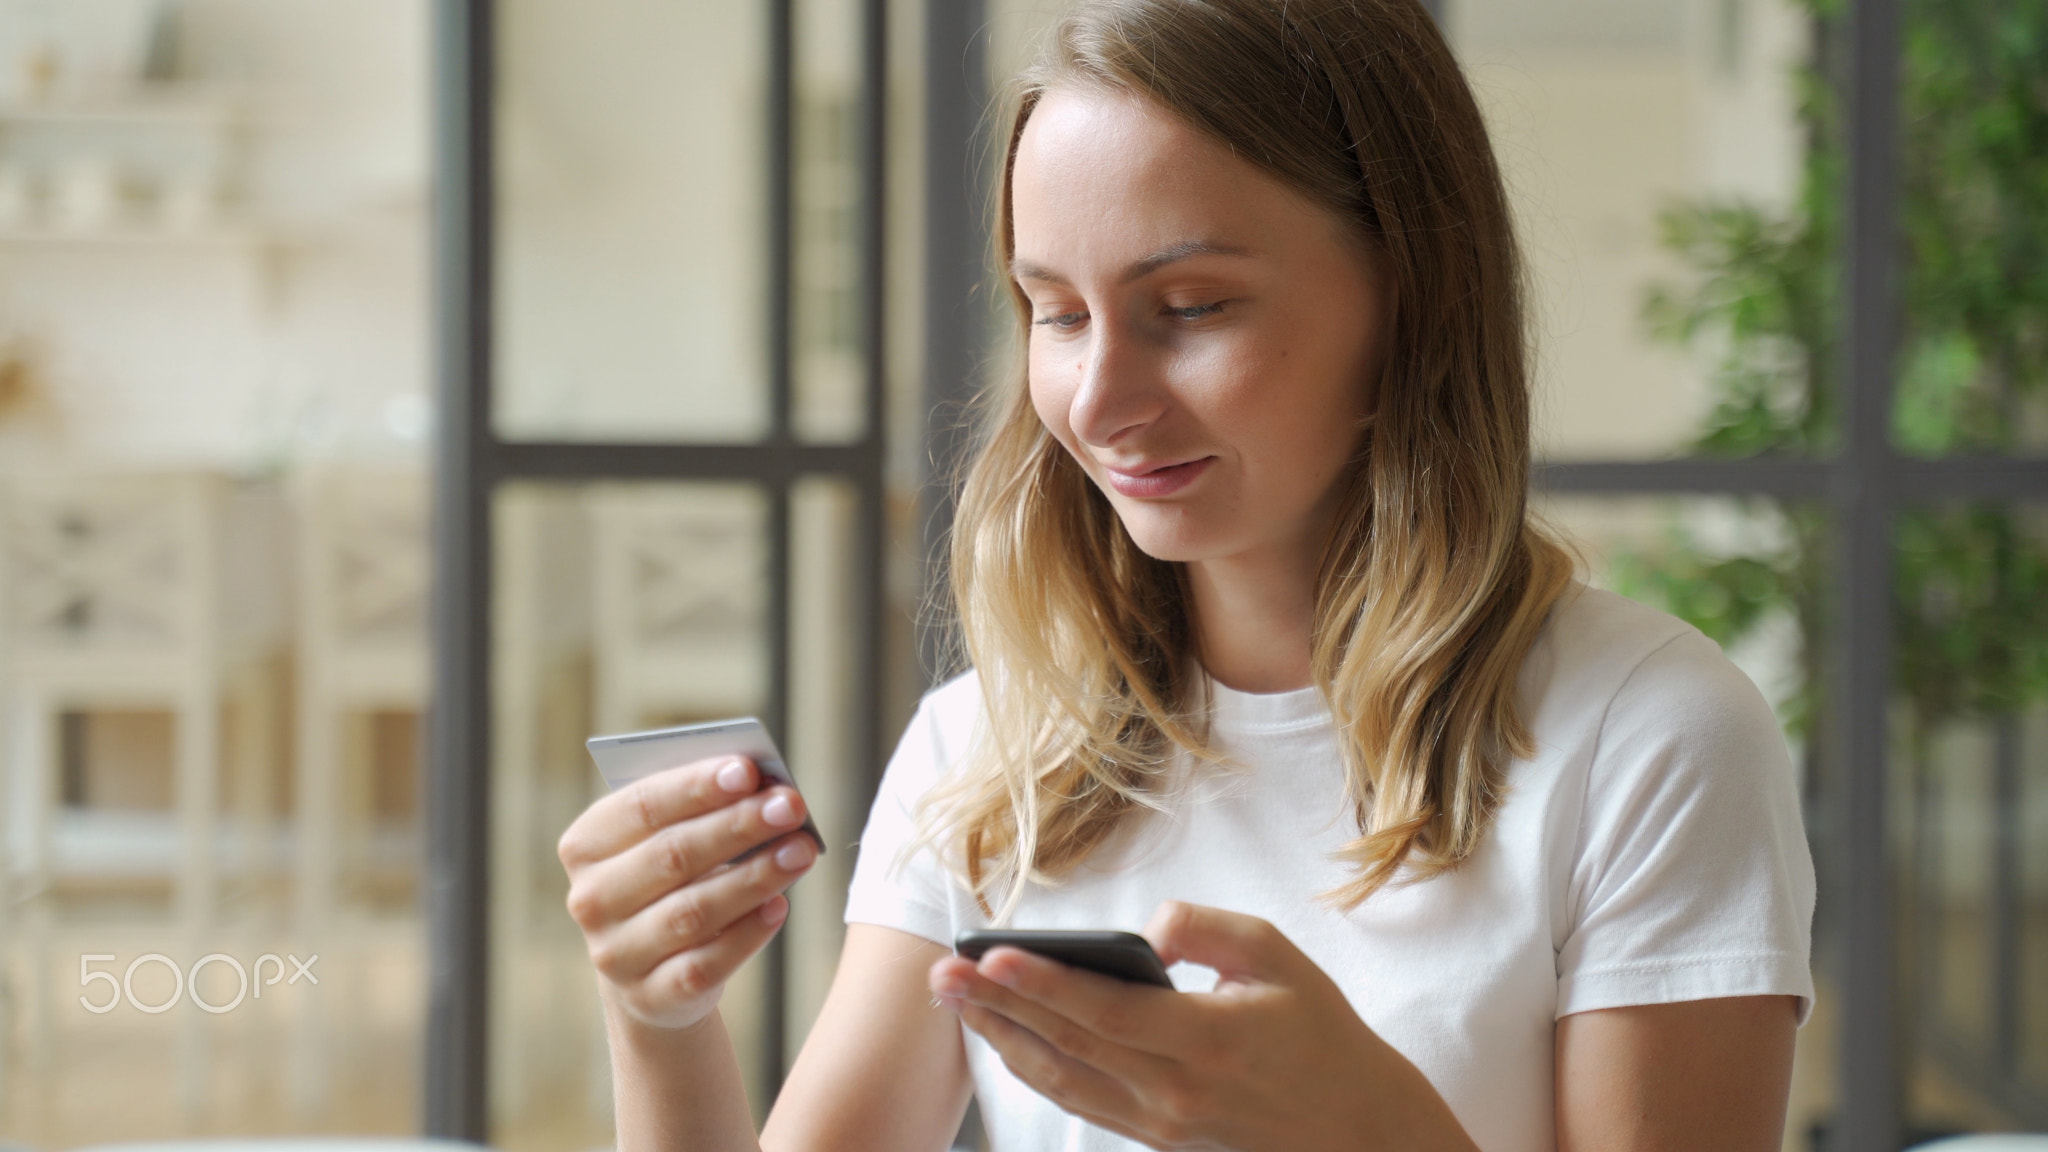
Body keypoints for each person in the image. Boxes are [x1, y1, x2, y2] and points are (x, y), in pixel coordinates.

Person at [554, 0, 1817, 1148]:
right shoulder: (987, 753)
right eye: (1054, 310)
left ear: (1409, 302)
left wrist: (1363, 1131)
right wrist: (658, 1020)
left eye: (1193, 306)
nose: (1098, 401)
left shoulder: (1646, 738)